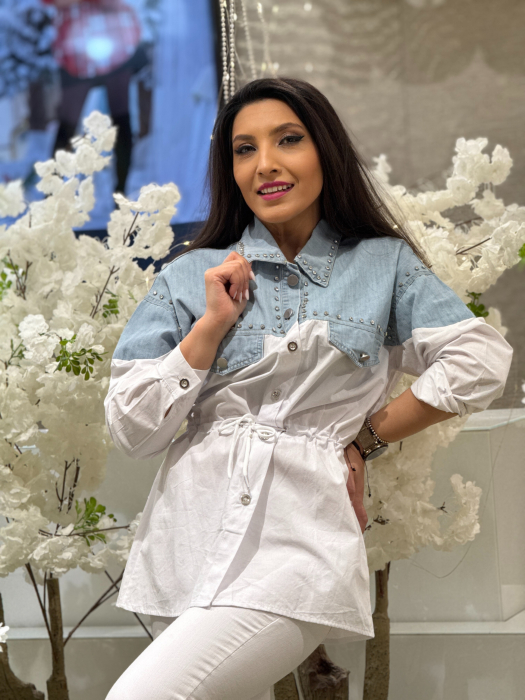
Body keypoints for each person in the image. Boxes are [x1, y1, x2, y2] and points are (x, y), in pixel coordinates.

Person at [103, 77, 513, 700]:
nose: (265, 164)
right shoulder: (189, 276)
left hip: (298, 548)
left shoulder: (382, 265)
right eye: (245, 149)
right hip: (186, 544)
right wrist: (210, 328)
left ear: (324, 150)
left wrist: (365, 439)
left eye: (288, 140)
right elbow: (132, 430)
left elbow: (479, 359)